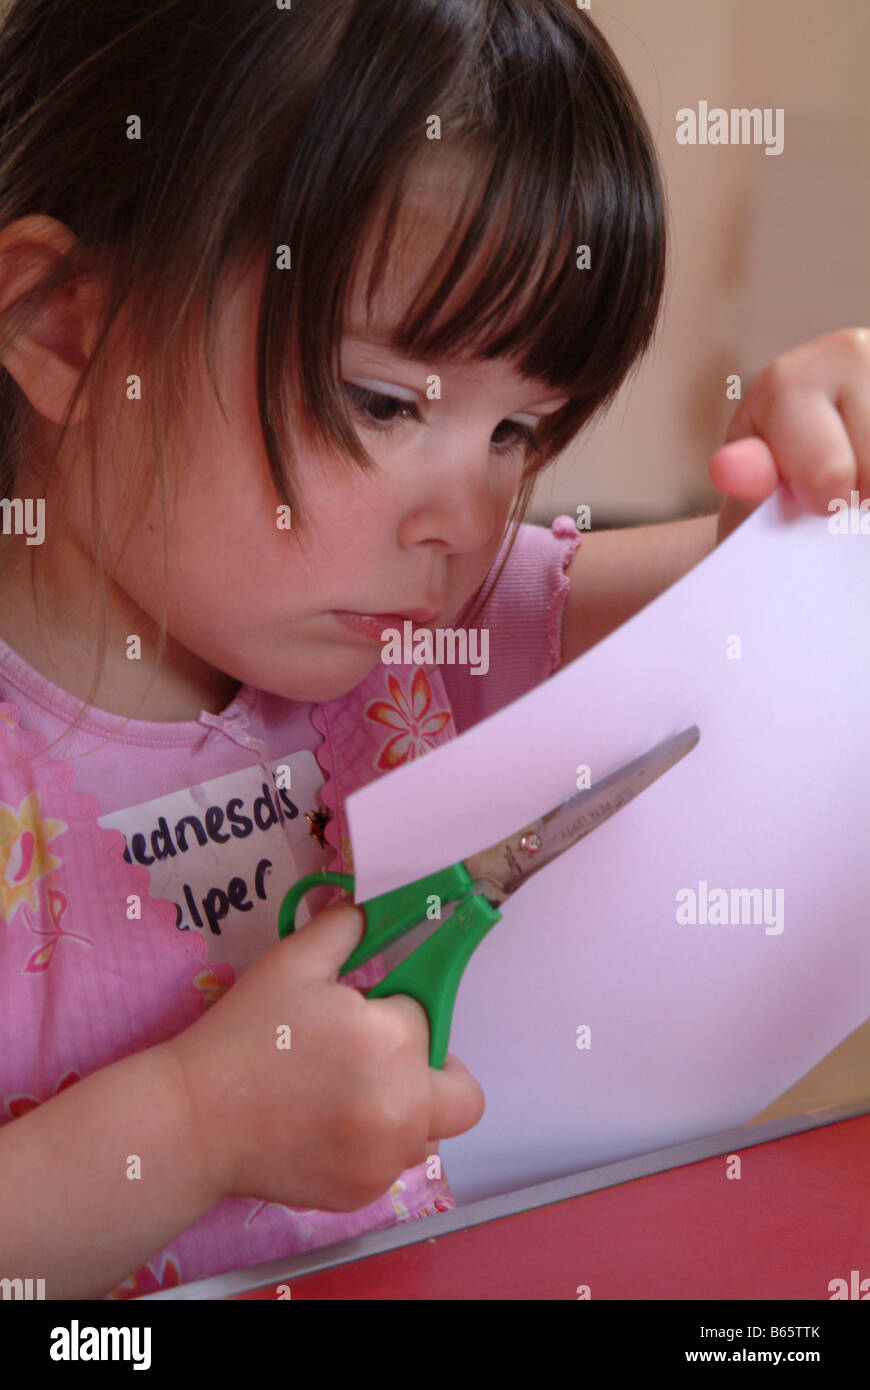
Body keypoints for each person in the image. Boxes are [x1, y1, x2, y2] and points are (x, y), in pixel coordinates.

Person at [0, 0, 866, 1301]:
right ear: (64, 325)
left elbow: (761, 602)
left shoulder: (414, 631)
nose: (463, 519)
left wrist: (825, 495)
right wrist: (192, 1123)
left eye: (518, 431)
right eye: (382, 400)